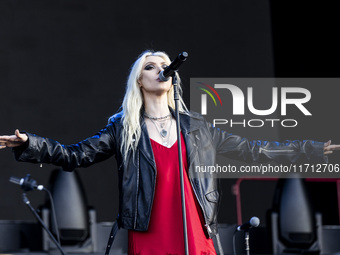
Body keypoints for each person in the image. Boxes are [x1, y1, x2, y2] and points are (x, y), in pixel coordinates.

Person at [0, 50, 339, 255]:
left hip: (194, 231)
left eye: (165, 65)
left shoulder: (197, 128)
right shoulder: (123, 128)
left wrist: (309, 148)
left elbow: (254, 151)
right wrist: (31, 143)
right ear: (139, 80)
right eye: (151, 66)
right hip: (150, 234)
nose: (161, 68)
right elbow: (76, 155)